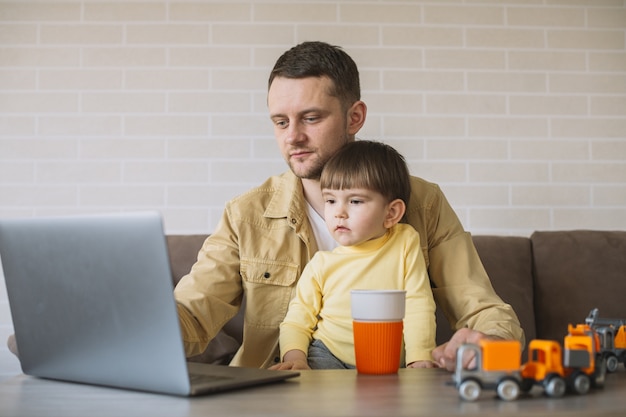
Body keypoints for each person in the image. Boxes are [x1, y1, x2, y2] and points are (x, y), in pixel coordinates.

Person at [7, 41, 523, 370]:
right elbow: (190, 315)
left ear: (355, 115)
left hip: (387, 393)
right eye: (280, 121)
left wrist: (484, 341)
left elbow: (484, 309)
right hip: (268, 397)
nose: (293, 138)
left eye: (311, 118)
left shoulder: (421, 201)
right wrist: (98, 333)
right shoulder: (246, 213)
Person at [272, 140, 436, 370]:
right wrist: (295, 359)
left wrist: (420, 357)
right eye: (330, 200)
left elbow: (418, 303)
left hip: (387, 360)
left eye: (355, 201)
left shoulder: (405, 242)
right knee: (310, 394)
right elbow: (298, 319)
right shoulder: (321, 264)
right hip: (329, 355)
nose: (338, 213)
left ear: (391, 213)